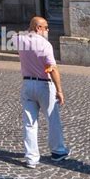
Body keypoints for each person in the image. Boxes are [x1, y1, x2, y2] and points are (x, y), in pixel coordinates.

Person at [13, 16, 70, 168]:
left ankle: (31, 158)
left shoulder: (20, 40)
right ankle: (58, 151)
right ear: (39, 28)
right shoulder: (45, 45)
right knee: (53, 119)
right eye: (46, 27)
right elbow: (52, 69)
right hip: (44, 85)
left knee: (29, 123)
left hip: (27, 84)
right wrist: (59, 90)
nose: (48, 30)